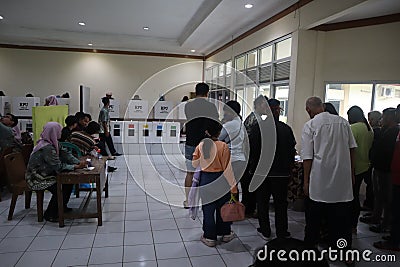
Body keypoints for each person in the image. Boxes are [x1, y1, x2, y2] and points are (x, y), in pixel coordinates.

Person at [301, 97, 356, 263]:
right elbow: (352, 149)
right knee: (342, 223)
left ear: (308, 110)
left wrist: (305, 181)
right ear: (323, 107)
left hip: (320, 182)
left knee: (313, 222)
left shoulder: (310, 125)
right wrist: (352, 173)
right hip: (342, 182)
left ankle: (310, 253)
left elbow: (308, 157)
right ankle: (345, 253)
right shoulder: (343, 123)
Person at [25, 122, 86, 222]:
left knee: (69, 183)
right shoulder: (46, 147)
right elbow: (58, 166)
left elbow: (66, 154)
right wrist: (75, 166)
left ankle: (62, 207)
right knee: (59, 187)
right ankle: (50, 214)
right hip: (37, 177)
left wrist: (79, 162)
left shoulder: (54, 143)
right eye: (59, 131)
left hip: (47, 173)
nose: (60, 133)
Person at [192, 119, 238, 247]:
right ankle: (225, 233)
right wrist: (233, 187)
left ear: (206, 132)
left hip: (206, 180)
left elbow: (194, 164)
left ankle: (209, 237)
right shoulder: (223, 146)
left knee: (208, 210)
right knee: (223, 209)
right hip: (221, 180)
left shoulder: (201, 146)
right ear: (219, 133)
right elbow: (227, 169)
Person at [255, 99, 296, 239]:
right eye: (277, 109)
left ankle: (265, 230)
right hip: (281, 174)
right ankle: (282, 232)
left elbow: (252, 152)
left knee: (262, 202)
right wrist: (289, 168)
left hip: (262, 174)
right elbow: (292, 151)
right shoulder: (286, 129)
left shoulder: (258, 128)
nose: (278, 112)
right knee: (280, 204)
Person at [183, 83, 219, 208]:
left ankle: (188, 201)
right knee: (205, 172)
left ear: (195, 91)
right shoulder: (211, 106)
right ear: (207, 93)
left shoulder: (188, 105)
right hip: (206, 144)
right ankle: (205, 201)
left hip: (190, 142)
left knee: (190, 173)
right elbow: (215, 123)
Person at [364, 108, 399, 233]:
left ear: (390, 118)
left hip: (387, 169)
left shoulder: (395, 131)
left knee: (387, 197)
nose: (381, 120)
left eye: (383, 117)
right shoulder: (384, 130)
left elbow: (388, 152)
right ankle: (376, 216)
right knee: (378, 194)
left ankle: (385, 224)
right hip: (378, 167)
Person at [374, 104, 400, 251]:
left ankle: (389, 230)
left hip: (389, 171)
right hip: (384, 169)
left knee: (390, 201)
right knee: (383, 197)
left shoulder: (395, 131)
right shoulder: (387, 130)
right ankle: (388, 229)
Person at [347, 106, 373, 233]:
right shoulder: (369, 129)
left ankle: (349, 223)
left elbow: (348, 149)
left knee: (350, 197)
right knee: (356, 195)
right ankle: (354, 225)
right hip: (365, 166)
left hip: (353, 167)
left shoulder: (353, 128)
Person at [242, 95, 268, 217]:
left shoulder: (254, 118)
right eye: (264, 104)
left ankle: (248, 208)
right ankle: (249, 209)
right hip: (250, 158)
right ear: (257, 105)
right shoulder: (255, 120)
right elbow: (252, 142)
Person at [219, 100, 246, 185]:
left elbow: (218, 137)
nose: (224, 114)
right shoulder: (240, 122)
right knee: (234, 186)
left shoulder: (230, 125)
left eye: (226, 111)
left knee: (228, 186)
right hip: (240, 159)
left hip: (232, 159)